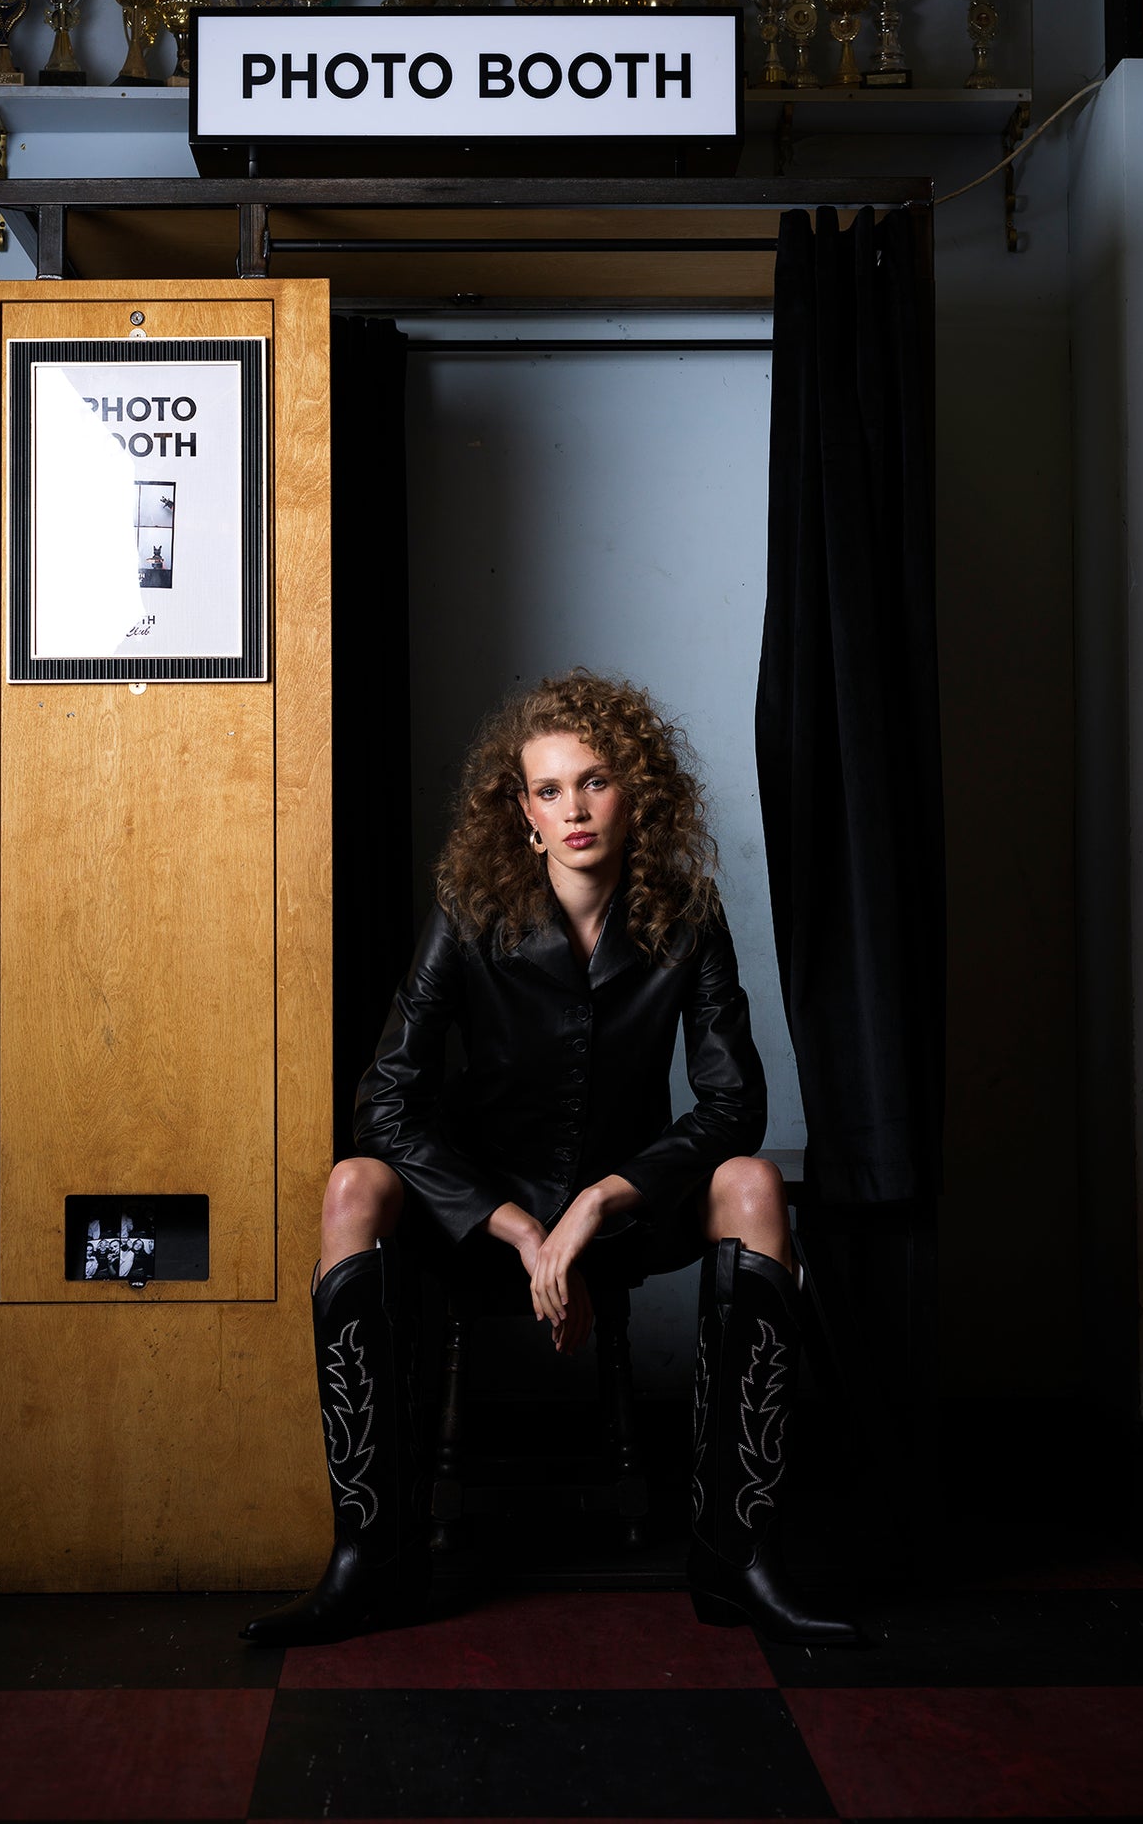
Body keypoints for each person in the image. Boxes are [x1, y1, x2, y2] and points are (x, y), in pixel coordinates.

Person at [242, 670, 858, 1650]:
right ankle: (373, 1558)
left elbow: (733, 1100)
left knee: (750, 1184)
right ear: (521, 814)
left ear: (633, 796)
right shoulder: (468, 909)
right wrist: (519, 1222)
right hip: (488, 1209)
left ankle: (735, 1555)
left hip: (627, 1198)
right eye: (548, 789)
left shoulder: (683, 915)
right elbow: (383, 1099)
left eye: (595, 782)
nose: (573, 808)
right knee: (352, 1182)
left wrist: (597, 1205)